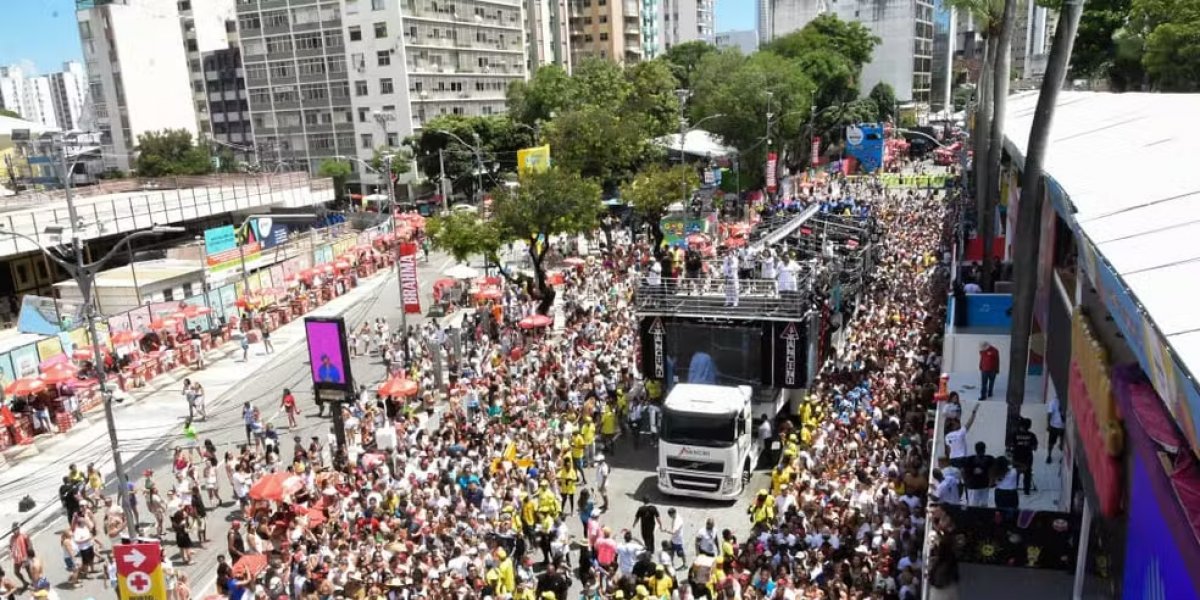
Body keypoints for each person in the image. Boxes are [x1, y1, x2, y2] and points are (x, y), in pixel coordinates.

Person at [943, 404, 978, 469]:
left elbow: (949, 449)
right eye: (957, 423)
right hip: (961, 458)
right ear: (953, 426)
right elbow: (970, 422)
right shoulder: (960, 433)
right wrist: (974, 412)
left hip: (952, 459)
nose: (959, 424)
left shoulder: (947, 436)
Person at [1011, 417, 1038, 495]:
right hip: (1027, 458)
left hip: (1016, 458)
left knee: (1016, 473)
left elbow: (1011, 446)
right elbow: (1035, 448)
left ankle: (1013, 488)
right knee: (1027, 474)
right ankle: (1026, 490)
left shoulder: (1015, 434)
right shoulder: (1032, 435)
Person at [963, 441, 994, 507]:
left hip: (976, 485)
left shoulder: (969, 459)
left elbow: (964, 472)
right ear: (984, 449)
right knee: (982, 505)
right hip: (981, 485)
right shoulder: (989, 459)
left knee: (974, 505)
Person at [8, 523, 33, 589]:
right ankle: (25, 582)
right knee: (16, 572)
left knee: (29, 571)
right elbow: (10, 547)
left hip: (25, 557)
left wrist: (30, 556)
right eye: (13, 530)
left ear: (19, 529)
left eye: (16, 529)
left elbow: (30, 546)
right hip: (17, 559)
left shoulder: (24, 536)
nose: (14, 531)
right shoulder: (12, 538)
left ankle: (34, 582)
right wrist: (10, 552)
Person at [1047, 393, 1065, 463]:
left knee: (1062, 444)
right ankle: (1049, 455)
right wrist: (1048, 425)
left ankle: (1062, 456)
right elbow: (1049, 414)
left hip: (1061, 427)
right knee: (1051, 443)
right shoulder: (1053, 402)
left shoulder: (1064, 402)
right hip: (1055, 426)